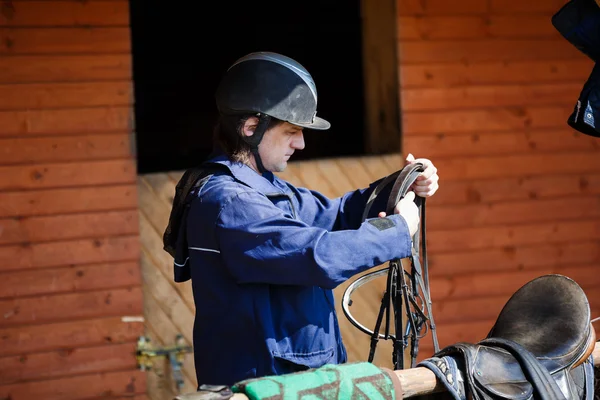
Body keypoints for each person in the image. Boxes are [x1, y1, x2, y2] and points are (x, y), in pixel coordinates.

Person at [163, 51, 440, 388]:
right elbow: (318, 255)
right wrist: (397, 230)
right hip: (264, 386)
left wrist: (402, 184)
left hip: (293, 382)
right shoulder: (232, 202)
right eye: (292, 131)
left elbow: (336, 214)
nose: (302, 142)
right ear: (252, 128)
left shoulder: (263, 188)